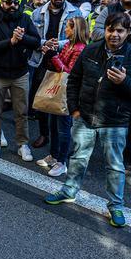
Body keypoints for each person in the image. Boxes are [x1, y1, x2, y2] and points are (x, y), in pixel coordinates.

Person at [44, 12, 131, 227]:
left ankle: (115, 206)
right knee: (77, 158)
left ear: (128, 32)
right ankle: (69, 191)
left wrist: (125, 81)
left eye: (120, 31)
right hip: (84, 116)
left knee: (114, 165)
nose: (114, 35)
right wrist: (74, 110)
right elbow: (73, 80)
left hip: (115, 120)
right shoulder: (92, 49)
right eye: (111, 30)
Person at [0, 0, 39, 162]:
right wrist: (11, 42)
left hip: (20, 73)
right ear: (1, 3)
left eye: (15, 2)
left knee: (21, 112)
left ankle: (22, 144)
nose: (13, 5)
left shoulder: (25, 18)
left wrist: (22, 39)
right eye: (9, 2)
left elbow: (36, 41)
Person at [34, 14, 89, 176]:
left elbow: (68, 72)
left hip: (69, 93)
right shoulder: (69, 45)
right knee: (54, 126)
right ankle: (54, 155)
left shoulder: (80, 48)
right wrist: (49, 55)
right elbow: (59, 65)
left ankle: (62, 162)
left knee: (63, 129)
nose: (65, 29)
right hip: (61, 90)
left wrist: (53, 56)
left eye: (68, 26)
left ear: (75, 29)